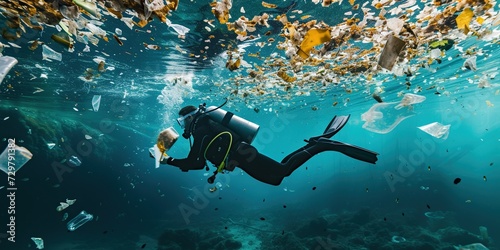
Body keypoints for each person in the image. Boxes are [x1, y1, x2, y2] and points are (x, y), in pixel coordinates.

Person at [154, 102, 378, 186]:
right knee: (278, 177)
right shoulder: (204, 129)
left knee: (281, 173)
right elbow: (198, 160)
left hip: (243, 156)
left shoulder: (202, 129)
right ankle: (318, 143)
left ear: (191, 118)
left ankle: (321, 145)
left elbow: (195, 162)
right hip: (242, 156)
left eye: (183, 121)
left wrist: (168, 160)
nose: (183, 126)